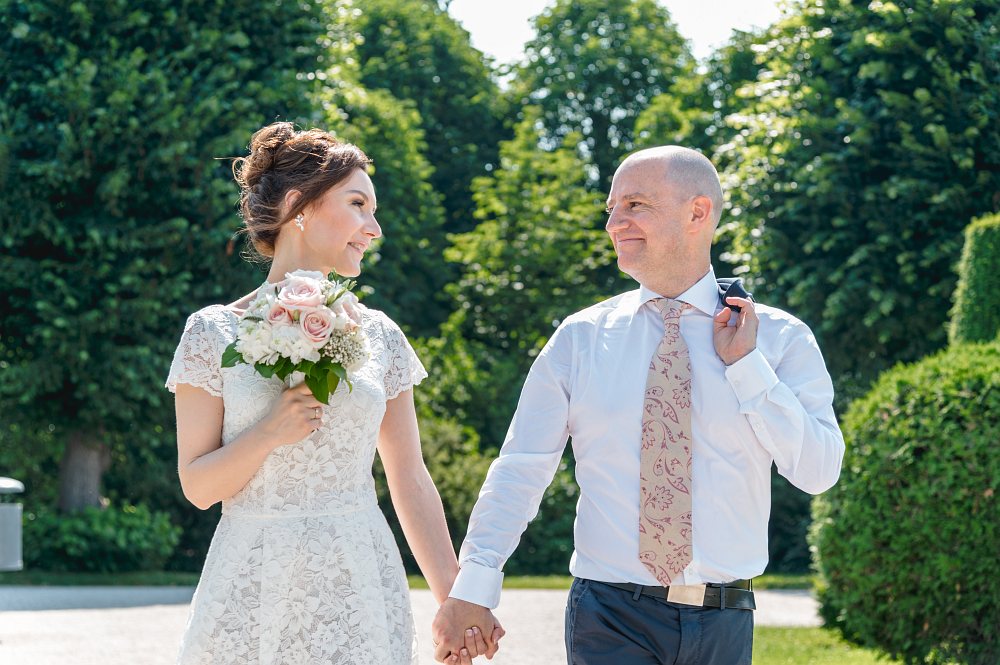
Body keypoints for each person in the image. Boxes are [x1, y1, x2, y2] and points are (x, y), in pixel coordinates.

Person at [431, 146, 845, 664]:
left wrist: (747, 369)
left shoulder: (780, 339)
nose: (614, 224)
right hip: (608, 617)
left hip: (726, 620)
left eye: (635, 205)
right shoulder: (579, 338)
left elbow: (819, 471)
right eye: (611, 209)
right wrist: (474, 587)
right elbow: (521, 468)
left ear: (698, 213)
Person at [165, 122, 501, 664]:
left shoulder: (380, 335)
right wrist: (269, 432)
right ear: (300, 205)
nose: (374, 228)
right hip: (250, 579)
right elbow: (199, 487)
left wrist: (455, 600)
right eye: (358, 205)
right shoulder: (211, 333)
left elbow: (410, 478)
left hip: (357, 580)